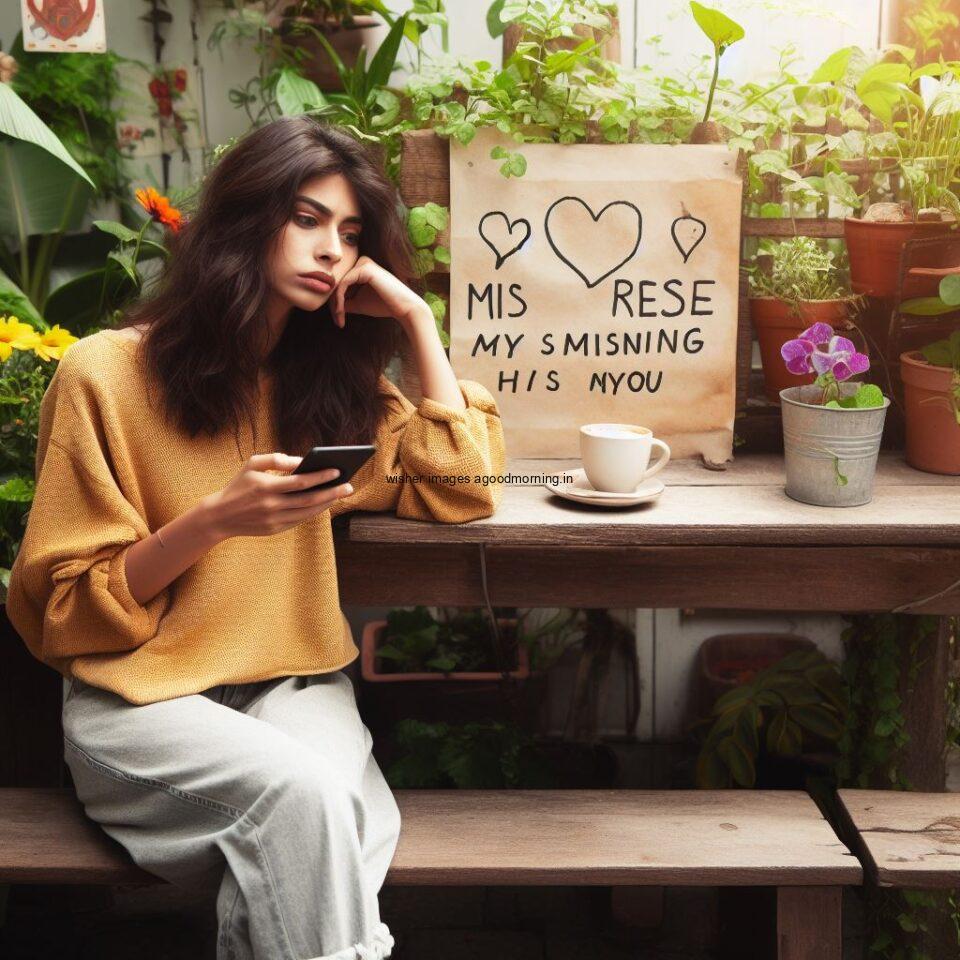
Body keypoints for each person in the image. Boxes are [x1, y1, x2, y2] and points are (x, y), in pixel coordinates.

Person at [5, 116, 506, 960]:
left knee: (315, 827)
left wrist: (418, 319)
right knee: (320, 812)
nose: (330, 251)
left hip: (292, 691)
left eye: (350, 234)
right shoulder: (105, 373)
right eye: (306, 219)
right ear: (245, 220)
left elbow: (464, 486)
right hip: (140, 704)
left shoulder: (328, 388)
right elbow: (60, 611)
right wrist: (212, 521)